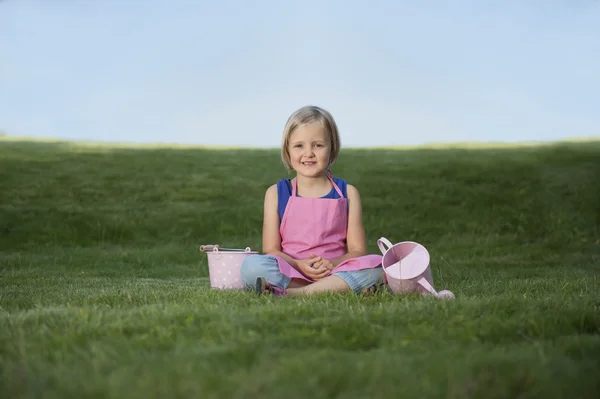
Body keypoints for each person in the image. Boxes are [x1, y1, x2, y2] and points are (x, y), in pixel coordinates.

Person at [240, 105, 383, 296]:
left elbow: (357, 251)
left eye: (318, 145)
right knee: (251, 266)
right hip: (292, 271)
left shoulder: (348, 193)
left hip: (334, 271)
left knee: (379, 266)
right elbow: (271, 249)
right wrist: (298, 264)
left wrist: (330, 264)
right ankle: (328, 291)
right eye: (299, 146)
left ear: (332, 148)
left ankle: (293, 293)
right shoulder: (276, 193)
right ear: (287, 150)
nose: (308, 153)